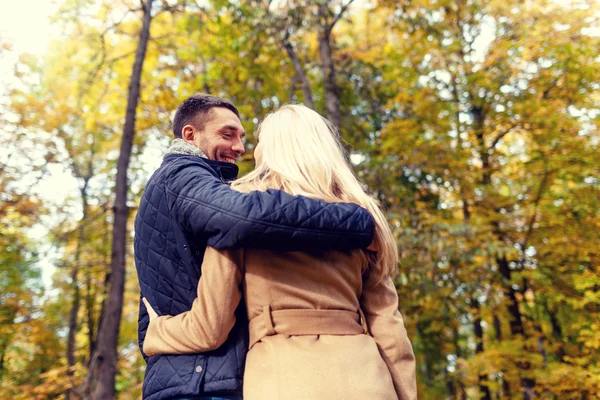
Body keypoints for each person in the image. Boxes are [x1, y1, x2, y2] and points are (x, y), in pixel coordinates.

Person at [141, 104, 417, 400]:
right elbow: (390, 332)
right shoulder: (359, 211)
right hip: (367, 379)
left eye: (256, 141)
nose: (247, 150)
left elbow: (211, 326)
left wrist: (156, 332)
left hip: (283, 378)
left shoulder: (239, 204)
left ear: (272, 149)